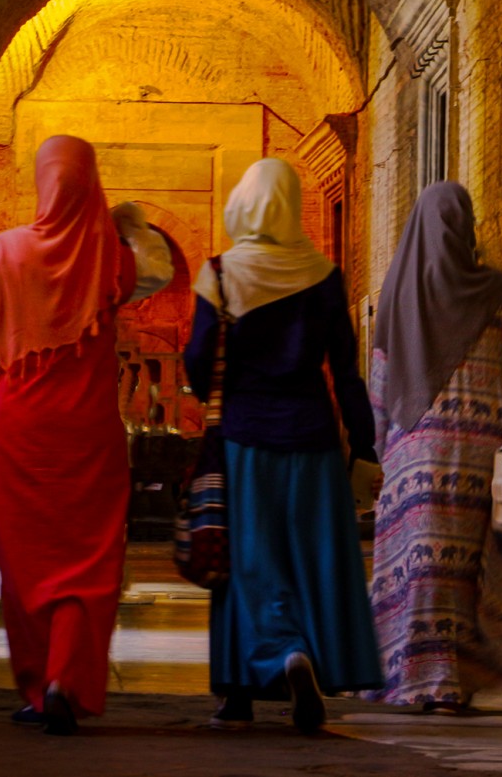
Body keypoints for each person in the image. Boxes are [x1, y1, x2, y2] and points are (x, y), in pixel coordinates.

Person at [0, 136, 171, 735]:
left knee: (26, 561)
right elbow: (159, 271)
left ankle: (42, 684)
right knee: (89, 557)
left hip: (20, 431)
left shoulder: (5, 252)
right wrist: (131, 223)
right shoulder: (109, 259)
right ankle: (67, 677)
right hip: (89, 434)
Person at [183, 157, 383, 734]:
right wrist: (362, 446)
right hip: (314, 441)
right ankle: (297, 665)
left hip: (245, 440)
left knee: (247, 565)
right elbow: (346, 369)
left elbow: (198, 358)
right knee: (307, 562)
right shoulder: (323, 274)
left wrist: (217, 395)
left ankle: (268, 667)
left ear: (244, 203)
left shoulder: (220, 273)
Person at [366, 180, 502, 712]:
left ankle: (409, 674)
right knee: (463, 568)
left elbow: (379, 382)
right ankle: (455, 677)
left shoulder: (396, 293)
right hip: (480, 455)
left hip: (413, 452)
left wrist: (380, 448)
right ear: (467, 227)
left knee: (416, 566)